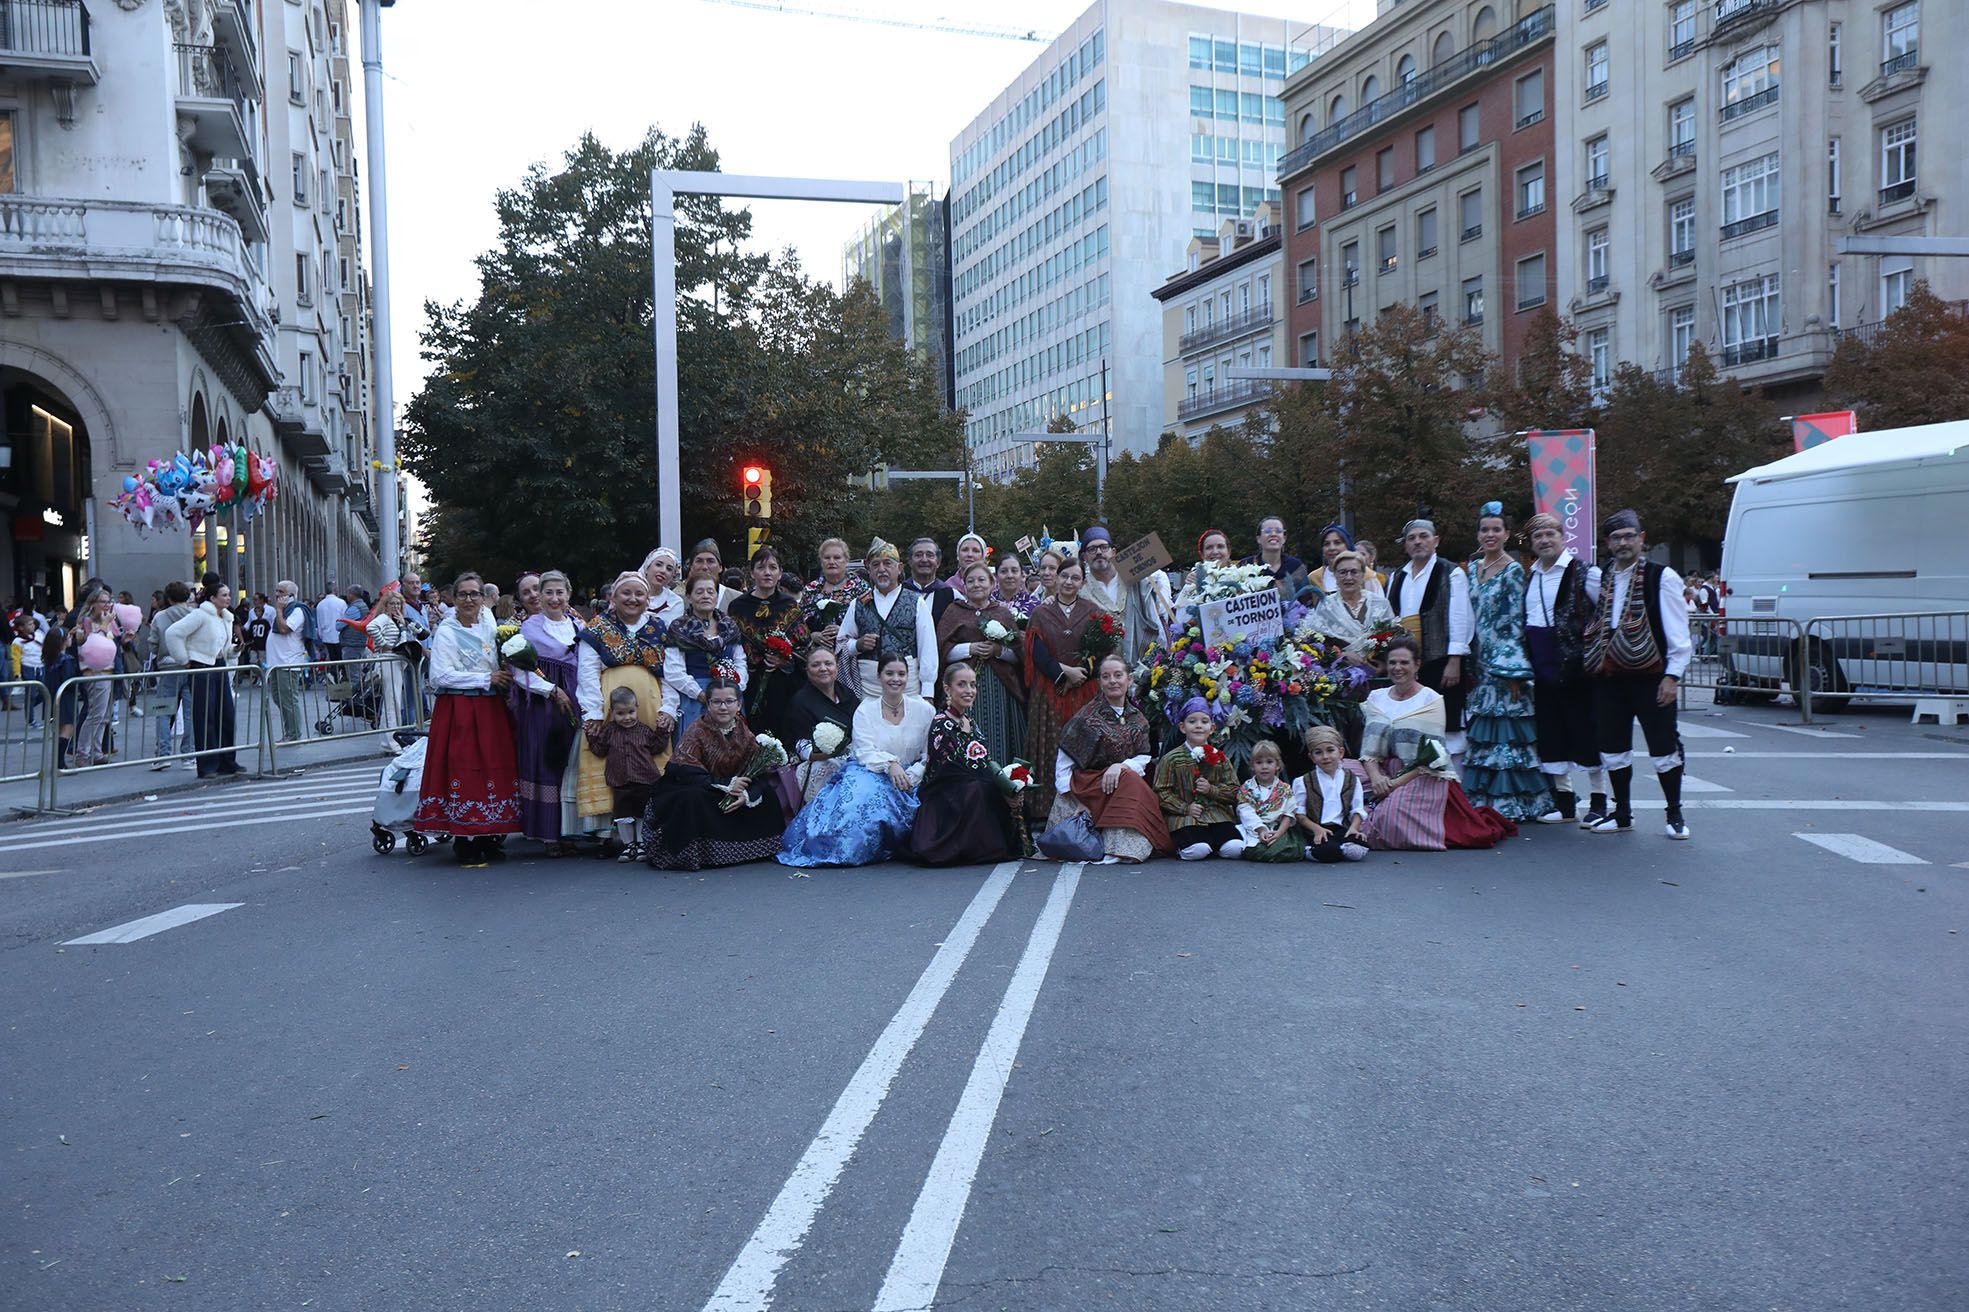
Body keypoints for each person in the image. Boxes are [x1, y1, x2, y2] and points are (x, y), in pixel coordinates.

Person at [1587, 509, 1693, 840]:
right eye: (1616, 538)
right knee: (1613, 747)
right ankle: (1622, 813)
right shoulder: (1604, 576)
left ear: (1641, 538)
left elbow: (1678, 633)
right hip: (1611, 676)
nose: (1623, 543)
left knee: (1663, 747)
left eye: (1629, 536)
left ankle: (1674, 813)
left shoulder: (1662, 577)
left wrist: (1672, 676)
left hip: (1652, 676)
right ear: (1608, 542)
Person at [1358, 636, 1513, 851]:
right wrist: (1376, 778)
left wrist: (1393, 785)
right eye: (1392, 662)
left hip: (1420, 774)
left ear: (1417, 665)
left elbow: (1432, 755)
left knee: (1390, 817)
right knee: (1342, 774)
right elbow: (1369, 749)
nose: (1397, 668)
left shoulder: (1430, 700)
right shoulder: (1377, 697)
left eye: (1404, 662)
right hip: (1382, 771)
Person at [778, 653, 933, 867]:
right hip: (871, 770)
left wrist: (914, 773)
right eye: (889, 673)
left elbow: (929, 754)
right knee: (857, 803)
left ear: (908, 677)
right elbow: (864, 750)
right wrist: (890, 765)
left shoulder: (925, 710)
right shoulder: (865, 710)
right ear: (879, 676)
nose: (895, 679)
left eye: (901, 674)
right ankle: (840, 849)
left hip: (912, 775)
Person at [414, 572, 521, 866]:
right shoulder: (447, 631)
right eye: (463, 594)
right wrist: (486, 678)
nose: (469, 599)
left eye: (475, 594)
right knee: (463, 768)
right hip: (460, 707)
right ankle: (463, 836)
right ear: (454, 598)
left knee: (494, 767)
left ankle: (490, 834)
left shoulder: (490, 625)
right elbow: (440, 675)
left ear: (483, 597)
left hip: (490, 707)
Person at [1460, 505, 1553, 821]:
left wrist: (1512, 670)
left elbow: (1515, 622)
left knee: (1506, 730)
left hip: (1503, 662)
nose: (1490, 535)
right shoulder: (1472, 569)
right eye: (1485, 529)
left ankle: (1512, 801)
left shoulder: (1513, 570)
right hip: (1478, 659)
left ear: (1507, 534)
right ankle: (1482, 798)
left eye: (1496, 529)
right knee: (1483, 732)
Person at [641, 679, 786, 871]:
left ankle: (756, 848)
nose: (723, 707)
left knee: (767, 793)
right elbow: (685, 772)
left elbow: (755, 772)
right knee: (691, 798)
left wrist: (744, 793)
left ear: (738, 705)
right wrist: (727, 784)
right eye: (717, 702)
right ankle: (700, 853)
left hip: (729, 789)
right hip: (700, 786)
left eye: (729, 701)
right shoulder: (696, 731)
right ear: (708, 704)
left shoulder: (744, 732)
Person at [1522, 512, 1608, 826]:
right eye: (1538, 536)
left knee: (1586, 733)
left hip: (1577, 667)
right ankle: (1565, 802)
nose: (1544, 541)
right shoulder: (1531, 575)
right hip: (1542, 666)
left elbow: (1606, 613)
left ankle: (1599, 801)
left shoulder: (1586, 572)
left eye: (1550, 534)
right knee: (1552, 733)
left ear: (1563, 537)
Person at [1048, 653, 1172, 863]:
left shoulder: (1139, 719)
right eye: (1106, 677)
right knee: (1129, 780)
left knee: (1129, 778)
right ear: (1100, 682)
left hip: (1119, 782)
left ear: (1128, 679)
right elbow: (1063, 765)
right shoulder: (1086, 718)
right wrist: (1076, 801)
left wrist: (1119, 766)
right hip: (1088, 786)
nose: (1112, 681)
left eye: (1118, 675)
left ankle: (1125, 845)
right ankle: (1118, 845)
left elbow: (1143, 757)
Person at [577, 571, 672, 842]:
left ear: (647, 599)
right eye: (626, 593)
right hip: (610, 709)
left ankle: (650, 831)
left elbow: (671, 672)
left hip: (650, 708)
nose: (633, 599)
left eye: (639, 594)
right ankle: (607, 833)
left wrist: (668, 708)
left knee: (649, 760)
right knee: (606, 759)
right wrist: (594, 712)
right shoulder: (598, 628)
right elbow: (587, 672)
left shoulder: (658, 628)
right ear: (614, 597)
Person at [910, 662, 1023, 866]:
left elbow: (985, 760)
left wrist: (1006, 785)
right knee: (978, 790)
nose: (969, 690)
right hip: (946, 793)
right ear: (948, 689)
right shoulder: (941, 723)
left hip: (971, 785)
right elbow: (951, 771)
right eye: (961, 684)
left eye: (972, 685)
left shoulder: (971, 722)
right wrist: (994, 785)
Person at [1021, 556, 1102, 825]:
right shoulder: (1041, 613)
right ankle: (1044, 809)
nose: (1069, 582)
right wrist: (1062, 674)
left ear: (1083, 582)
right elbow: (1036, 652)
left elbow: (1101, 649)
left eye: (1075, 578)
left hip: (1085, 690)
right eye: (1064, 576)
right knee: (1050, 745)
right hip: (1049, 690)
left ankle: (1086, 807)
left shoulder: (1092, 611)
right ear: (1056, 578)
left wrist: (1081, 674)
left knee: (1083, 746)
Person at [510, 569, 585, 853]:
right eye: (548, 593)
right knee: (546, 761)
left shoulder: (578, 626)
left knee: (571, 763)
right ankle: (549, 834)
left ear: (568, 594)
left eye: (559, 592)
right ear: (540, 596)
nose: (554, 598)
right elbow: (520, 672)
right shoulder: (529, 628)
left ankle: (571, 830)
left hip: (575, 702)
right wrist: (551, 690)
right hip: (542, 706)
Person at [1385, 518, 1474, 756]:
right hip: (1407, 663)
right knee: (1415, 720)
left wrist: (1454, 660)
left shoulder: (1451, 572)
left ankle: (1453, 775)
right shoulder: (1397, 576)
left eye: (1423, 536)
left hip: (1441, 658)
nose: (1417, 542)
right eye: (1411, 538)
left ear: (1436, 541)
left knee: (1448, 722)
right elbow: (1391, 618)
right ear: (1405, 545)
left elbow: (1460, 617)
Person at [936, 561, 1027, 765]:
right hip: (963, 685)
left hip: (1000, 687)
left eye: (981, 580)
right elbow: (942, 650)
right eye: (971, 581)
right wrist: (970, 648)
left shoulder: (1002, 613)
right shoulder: (954, 611)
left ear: (992, 584)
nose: (976, 584)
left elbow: (1017, 654)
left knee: (999, 734)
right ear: (964, 585)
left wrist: (997, 651)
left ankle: (1003, 777)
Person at [838, 539, 937, 699]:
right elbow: (840, 643)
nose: (881, 569)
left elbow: (928, 648)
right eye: (876, 564)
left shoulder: (916, 602)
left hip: (907, 687)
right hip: (868, 688)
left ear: (899, 568)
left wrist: (927, 692)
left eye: (887, 563)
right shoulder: (858, 604)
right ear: (869, 569)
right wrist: (858, 645)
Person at [164, 582, 242, 778]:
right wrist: (184, 660)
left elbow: (221, 646)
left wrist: (234, 650)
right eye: (224, 595)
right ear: (212, 598)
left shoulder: (226, 617)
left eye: (228, 594)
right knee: (205, 716)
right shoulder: (200, 615)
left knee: (226, 714)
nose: (228, 598)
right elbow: (173, 633)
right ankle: (207, 765)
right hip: (202, 666)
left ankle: (227, 761)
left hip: (219, 665)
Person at [728, 547, 807, 735]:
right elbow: (731, 645)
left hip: (783, 684)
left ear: (780, 573)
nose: (767, 573)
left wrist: (785, 659)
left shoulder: (790, 606)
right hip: (750, 682)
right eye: (761, 567)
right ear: (752, 572)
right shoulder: (737, 607)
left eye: (773, 567)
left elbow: (804, 647)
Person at [1153, 699, 1245, 860]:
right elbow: (1161, 792)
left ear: (1212, 728)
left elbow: (1234, 790)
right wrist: (1185, 808)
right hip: (1185, 818)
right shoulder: (1171, 759)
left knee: (1235, 848)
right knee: (1198, 850)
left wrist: (1212, 790)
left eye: (1204, 721)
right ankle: (1191, 845)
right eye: (1192, 721)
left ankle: (1214, 843)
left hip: (1216, 815)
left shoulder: (1220, 758)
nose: (1198, 726)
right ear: (1182, 727)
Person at [588, 685, 670, 862]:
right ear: (612, 712)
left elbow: (657, 747)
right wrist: (591, 736)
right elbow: (599, 750)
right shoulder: (609, 731)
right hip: (620, 780)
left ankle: (641, 844)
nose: (627, 718)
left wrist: (662, 731)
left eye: (631, 712)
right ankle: (628, 845)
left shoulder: (644, 730)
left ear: (637, 708)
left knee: (642, 813)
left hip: (644, 779)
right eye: (620, 713)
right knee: (622, 815)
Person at [664, 574, 747, 736]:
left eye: (710, 591)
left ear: (716, 596)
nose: (705, 596)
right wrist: (700, 694)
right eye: (699, 592)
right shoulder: (679, 628)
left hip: (728, 700)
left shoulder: (729, 626)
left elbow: (740, 661)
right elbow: (673, 671)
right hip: (694, 700)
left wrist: (735, 689)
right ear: (689, 596)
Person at [1080, 526, 1173, 669]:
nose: (1098, 552)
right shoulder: (1081, 591)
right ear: (1084, 557)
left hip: (1143, 660)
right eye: (1092, 549)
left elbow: (1159, 582)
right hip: (1105, 670)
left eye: (1104, 547)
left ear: (1113, 552)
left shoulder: (1135, 578)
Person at [782, 644, 860, 805]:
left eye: (828, 663)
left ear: (837, 667)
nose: (823, 668)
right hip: (820, 761)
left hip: (854, 755)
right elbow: (801, 746)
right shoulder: (800, 702)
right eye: (816, 665)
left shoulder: (847, 693)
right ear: (807, 670)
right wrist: (830, 753)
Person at [1296, 725, 1369, 863]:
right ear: (1312, 757)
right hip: (1316, 829)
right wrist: (1317, 829)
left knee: (1357, 852)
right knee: (1329, 852)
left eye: (1330, 750)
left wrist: (1354, 828)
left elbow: (1357, 809)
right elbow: (1299, 814)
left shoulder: (1352, 779)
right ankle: (1308, 850)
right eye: (1318, 752)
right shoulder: (1303, 781)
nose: (1325, 757)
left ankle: (1340, 847)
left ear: (1340, 752)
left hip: (1342, 828)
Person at [798, 537, 871, 659]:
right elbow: (799, 623)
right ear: (821, 561)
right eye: (827, 558)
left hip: (851, 655)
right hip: (817, 656)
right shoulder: (810, 589)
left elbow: (869, 622)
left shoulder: (861, 587)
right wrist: (813, 635)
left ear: (846, 560)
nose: (831, 562)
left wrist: (844, 631)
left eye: (837, 557)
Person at [1312, 550, 1398, 654]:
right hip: (1338, 663)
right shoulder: (1326, 606)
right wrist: (1341, 655)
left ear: (1363, 575)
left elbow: (1393, 640)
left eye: (1354, 572)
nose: (1348, 577)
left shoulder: (1380, 604)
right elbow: (1318, 643)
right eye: (1343, 572)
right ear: (1335, 575)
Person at [365, 585, 419, 750]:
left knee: (392, 702)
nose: (396, 606)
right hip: (389, 660)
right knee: (392, 702)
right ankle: (391, 741)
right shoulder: (384, 618)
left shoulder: (395, 620)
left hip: (395, 661)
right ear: (386, 605)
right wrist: (384, 644)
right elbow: (370, 627)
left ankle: (388, 741)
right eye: (392, 603)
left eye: (398, 604)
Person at [1235, 739, 1306, 862]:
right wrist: (1261, 829)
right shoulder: (1247, 789)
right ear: (1252, 766)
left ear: (1277, 765)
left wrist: (1279, 833)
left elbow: (1288, 814)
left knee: (1288, 849)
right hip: (1254, 828)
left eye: (1269, 762)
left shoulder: (1284, 789)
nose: (1264, 767)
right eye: (1259, 762)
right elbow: (1246, 812)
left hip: (1278, 828)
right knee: (1245, 848)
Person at [265, 579, 310, 743]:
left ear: (291, 595)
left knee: (288, 699)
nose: (277, 595)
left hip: (288, 662)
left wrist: (278, 610)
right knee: (279, 698)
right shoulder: (284, 610)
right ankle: (290, 731)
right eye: (276, 591)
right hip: (277, 662)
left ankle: (293, 734)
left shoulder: (297, 610)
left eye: (281, 592)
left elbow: (284, 629)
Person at [1309, 522, 1386, 598]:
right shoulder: (1314, 578)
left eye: (1337, 543)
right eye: (1326, 544)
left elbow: (1380, 604)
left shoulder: (1367, 576)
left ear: (1348, 546)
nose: (1332, 548)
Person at [39, 627, 79, 769]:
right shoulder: (66, 660)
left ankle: (58, 761)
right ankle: (59, 762)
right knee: (67, 728)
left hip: (52, 696)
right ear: (62, 642)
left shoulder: (49, 659)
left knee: (60, 729)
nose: (71, 639)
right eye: (68, 637)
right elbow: (69, 680)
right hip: (65, 698)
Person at [1242, 515, 1310, 601]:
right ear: (1258, 539)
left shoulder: (1296, 567)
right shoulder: (1245, 566)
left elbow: (1306, 602)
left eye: (1278, 531)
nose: (1273, 534)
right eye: (1267, 531)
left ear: (1284, 538)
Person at [904, 537, 957, 627]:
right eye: (918, 555)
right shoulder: (899, 592)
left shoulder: (952, 595)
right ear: (910, 561)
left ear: (938, 562)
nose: (924, 560)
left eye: (930, 555)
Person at [683, 539, 742, 612]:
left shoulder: (736, 598)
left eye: (710, 561)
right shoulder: (680, 600)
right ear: (691, 567)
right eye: (699, 561)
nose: (704, 567)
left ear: (720, 567)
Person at [640, 547, 689, 629]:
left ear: (672, 576)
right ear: (647, 567)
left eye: (669, 569)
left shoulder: (675, 602)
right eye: (658, 565)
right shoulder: (630, 595)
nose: (663, 571)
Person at [1183, 527, 1234, 595]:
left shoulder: (1243, 578)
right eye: (1209, 547)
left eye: (1220, 546)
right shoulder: (1193, 581)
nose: (1215, 552)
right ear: (1202, 554)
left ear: (1229, 552)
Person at [991, 552, 1037, 625]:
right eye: (1003, 571)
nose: (1009, 576)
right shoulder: (987, 602)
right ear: (996, 576)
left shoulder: (1034, 604)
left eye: (1014, 571)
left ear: (1022, 575)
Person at [315, 582, 346, 665]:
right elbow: (345, 620)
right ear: (335, 590)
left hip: (326, 636)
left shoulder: (320, 604)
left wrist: (321, 635)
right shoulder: (341, 603)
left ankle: (333, 672)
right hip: (339, 636)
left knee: (331, 660)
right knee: (341, 660)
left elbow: (319, 622)